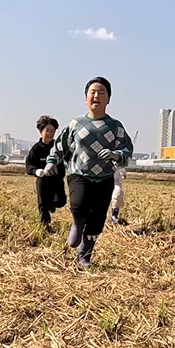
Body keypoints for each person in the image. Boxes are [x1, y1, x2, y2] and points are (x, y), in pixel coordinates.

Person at [43, 77, 133, 267]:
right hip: (79, 174)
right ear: (86, 98)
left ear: (108, 99)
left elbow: (127, 151)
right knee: (79, 204)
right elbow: (60, 146)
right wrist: (51, 162)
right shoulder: (76, 124)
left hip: (105, 177)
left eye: (102, 93)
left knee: (98, 219)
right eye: (92, 92)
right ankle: (77, 223)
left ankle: (85, 254)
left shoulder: (115, 126)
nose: (96, 96)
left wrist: (115, 154)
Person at [25, 116, 67, 228]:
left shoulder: (58, 146)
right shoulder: (36, 149)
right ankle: (45, 227)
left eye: (53, 131)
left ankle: (51, 205)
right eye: (47, 131)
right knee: (42, 205)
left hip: (57, 180)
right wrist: (36, 171)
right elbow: (28, 165)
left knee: (61, 202)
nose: (50, 133)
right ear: (40, 132)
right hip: (43, 181)